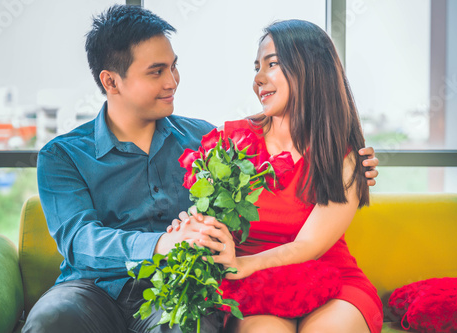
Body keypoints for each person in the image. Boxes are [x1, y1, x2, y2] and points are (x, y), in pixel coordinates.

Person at [23, 5, 379, 333]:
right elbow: (80, 241)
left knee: (189, 324)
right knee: (53, 317)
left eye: (173, 66)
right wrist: (164, 242)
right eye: (156, 72)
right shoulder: (62, 155)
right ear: (111, 82)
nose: (172, 81)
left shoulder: (207, 140)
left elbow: (286, 162)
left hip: (179, 288)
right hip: (92, 288)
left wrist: (351, 163)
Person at [172, 20, 383, 333]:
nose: (258, 78)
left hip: (330, 280)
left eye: (271, 64)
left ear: (310, 69)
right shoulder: (229, 141)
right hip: (252, 287)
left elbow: (308, 245)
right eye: (257, 67)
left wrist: (242, 264)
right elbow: (208, 211)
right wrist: (195, 228)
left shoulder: (344, 155)